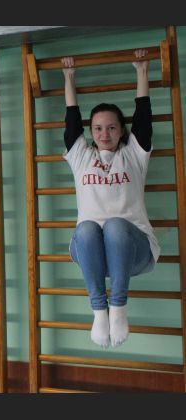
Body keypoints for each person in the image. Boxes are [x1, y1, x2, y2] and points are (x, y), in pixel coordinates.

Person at [61, 49, 158, 348]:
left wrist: (141, 71)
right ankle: (98, 310)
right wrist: (69, 76)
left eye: (112, 127)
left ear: (121, 131)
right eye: (98, 128)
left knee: (114, 225)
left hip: (134, 250)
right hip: (91, 254)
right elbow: (71, 120)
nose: (104, 134)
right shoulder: (81, 156)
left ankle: (118, 306)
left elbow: (143, 117)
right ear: (91, 132)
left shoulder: (134, 155)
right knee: (87, 228)